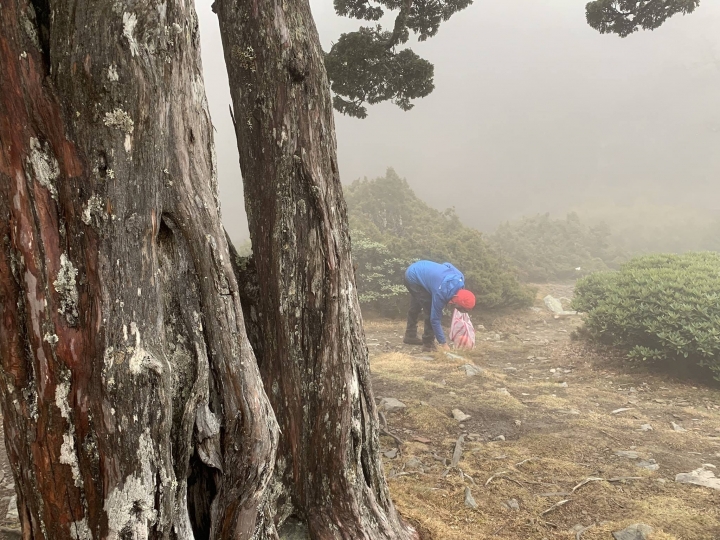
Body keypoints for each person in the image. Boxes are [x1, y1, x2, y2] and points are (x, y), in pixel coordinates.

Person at [403, 260, 476, 351]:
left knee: (417, 304)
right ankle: (428, 345)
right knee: (429, 310)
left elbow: (447, 265)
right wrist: (443, 343)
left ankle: (410, 335)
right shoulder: (440, 293)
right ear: (455, 299)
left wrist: (436, 276)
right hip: (412, 277)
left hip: (420, 268)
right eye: (459, 307)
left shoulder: (460, 278)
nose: (456, 308)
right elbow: (435, 319)